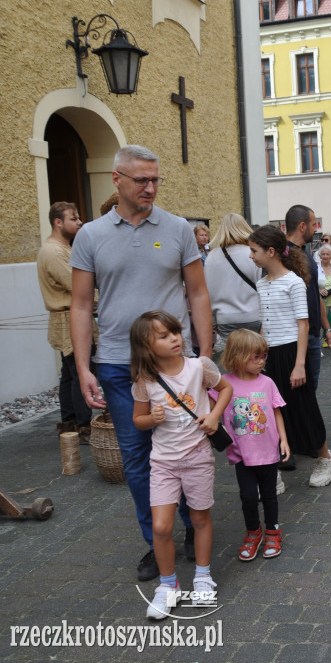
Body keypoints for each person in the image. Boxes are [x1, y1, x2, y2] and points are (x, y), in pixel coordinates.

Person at [70, 144, 212, 582]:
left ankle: (193, 528)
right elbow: (79, 305)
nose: (150, 187)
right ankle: (157, 540)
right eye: (141, 180)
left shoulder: (177, 229)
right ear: (117, 179)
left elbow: (198, 294)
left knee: (186, 447)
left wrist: (204, 355)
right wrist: (83, 367)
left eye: (155, 180)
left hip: (173, 364)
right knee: (136, 456)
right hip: (116, 363)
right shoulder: (91, 235)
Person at [128, 311, 231, 620]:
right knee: (161, 526)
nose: (174, 338)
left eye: (174, 332)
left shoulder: (199, 367)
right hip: (163, 462)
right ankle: (168, 585)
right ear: (146, 346)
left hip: (198, 457)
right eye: (163, 335)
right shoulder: (145, 380)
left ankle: (202, 577)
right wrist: (152, 419)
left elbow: (225, 389)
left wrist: (214, 417)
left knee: (200, 518)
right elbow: (138, 420)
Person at [248, 225, 331, 487]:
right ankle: (272, 466)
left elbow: (303, 324)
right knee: (271, 411)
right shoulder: (261, 284)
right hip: (270, 355)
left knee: (303, 408)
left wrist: (300, 365)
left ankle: (325, 458)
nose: (251, 256)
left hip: (292, 353)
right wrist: (259, 356)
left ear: (271, 251)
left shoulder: (294, 282)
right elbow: (264, 323)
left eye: (254, 251)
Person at [214, 329, 289, 561]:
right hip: (241, 453)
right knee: (247, 496)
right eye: (255, 356)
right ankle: (253, 533)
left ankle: (273, 531)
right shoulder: (224, 384)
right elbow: (209, 410)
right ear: (237, 356)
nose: (261, 361)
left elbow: (276, 413)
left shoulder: (267, 383)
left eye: (264, 356)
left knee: (269, 495)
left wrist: (284, 440)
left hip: (267, 450)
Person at [37, 201, 93, 440]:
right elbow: (78, 285)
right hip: (68, 316)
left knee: (70, 373)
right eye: (74, 218)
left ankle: (71, 421)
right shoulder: (53, 251)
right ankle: (82, 425)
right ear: (58, 222)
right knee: (80, 371)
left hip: (70, 314)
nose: (79, 222)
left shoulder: (64, 247)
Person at [283, 206, 331, 395]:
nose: (316, 229)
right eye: (314, 225)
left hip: (312, 334)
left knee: (310, 391)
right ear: (302, 226)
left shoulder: (306, 253)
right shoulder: (284, 255)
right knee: (299, 394)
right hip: (295, 337)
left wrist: (327, 327)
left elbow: (314, 293)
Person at [205, 213, 261, 361]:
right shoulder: (252, 254)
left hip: (225, 319)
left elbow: (208, 293)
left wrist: (213, 320)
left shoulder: (211, 257)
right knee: (255, 361)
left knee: (233, 363)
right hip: (254, 316)